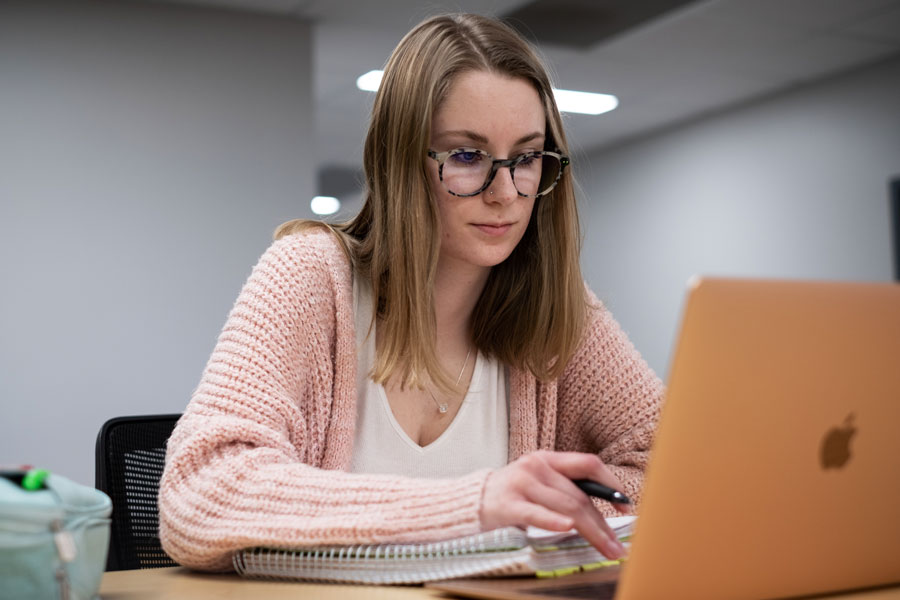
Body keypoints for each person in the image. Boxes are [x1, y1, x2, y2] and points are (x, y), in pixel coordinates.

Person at [158, 13, 664, 572]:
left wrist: (540, 510)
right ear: (401, 163)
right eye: (467, 157)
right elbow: (199, 492)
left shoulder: (559, 309)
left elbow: (677, 470)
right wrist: (470, 508)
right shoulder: (308, 276)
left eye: (526, 158)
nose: (506, 193)